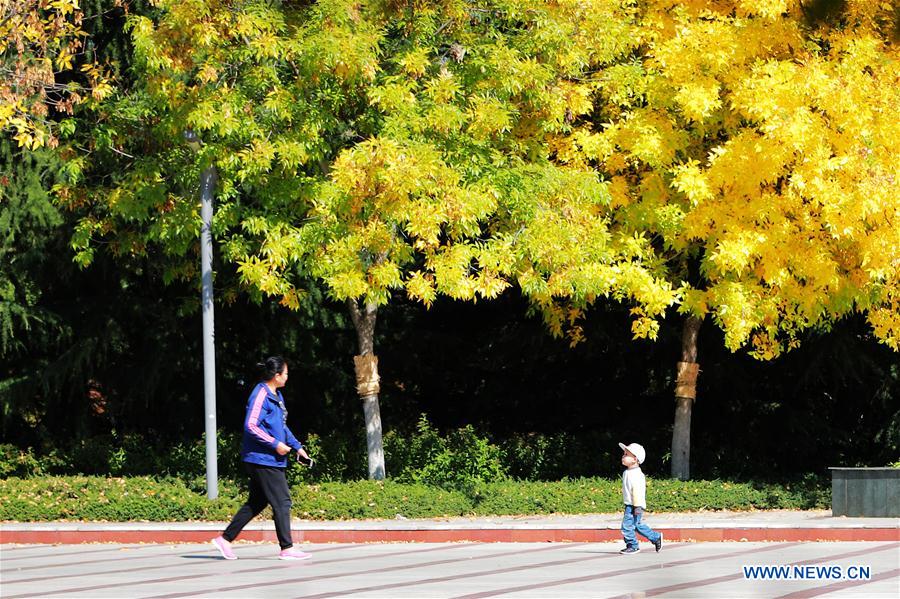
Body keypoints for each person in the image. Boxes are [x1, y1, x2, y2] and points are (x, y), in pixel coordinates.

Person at [212, 356, 313, 560]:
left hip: (270, 458)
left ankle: (225, 539)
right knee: (282, 501)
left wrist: (297, 447)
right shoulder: (260, 394)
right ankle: (287, 548)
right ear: (276, 376)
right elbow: (250, 426)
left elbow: (281, 426)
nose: (287, 377)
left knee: (257, 502)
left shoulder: (277, 396)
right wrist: (275, 444)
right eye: (285, 374)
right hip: (262, 458)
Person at [618, 442, 663, 555]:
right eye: (624, 454)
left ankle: (633, 546)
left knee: (627, 526)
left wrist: (637, 506)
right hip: (630, 504)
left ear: (635, 459)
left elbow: (638, 491)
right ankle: (655, 537)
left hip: (635, 505)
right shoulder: (627, 472)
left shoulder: (636, 474)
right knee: (636, 525)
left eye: (626, 454)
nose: (623, 456)